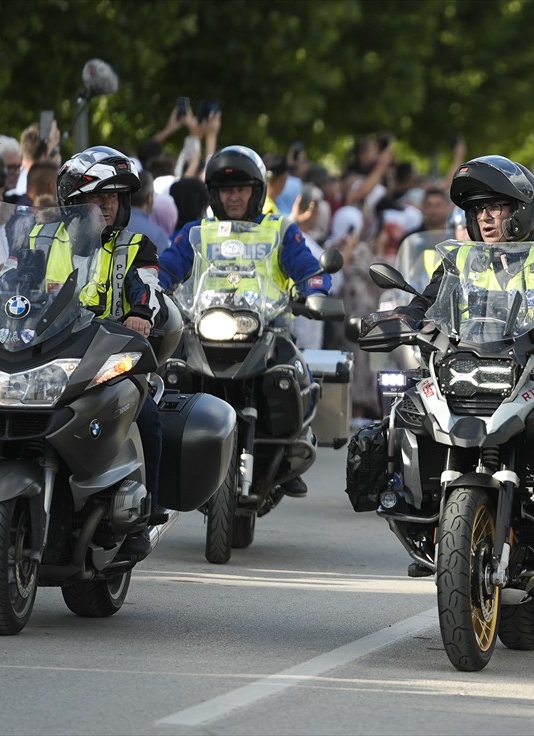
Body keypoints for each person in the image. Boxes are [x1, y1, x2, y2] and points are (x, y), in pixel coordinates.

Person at [387, 154, 534, 595]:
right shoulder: (459, 263)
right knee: (403, 413)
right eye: (477, 209)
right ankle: (427, 521)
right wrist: (402, 315)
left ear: (524, 210)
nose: (486, 218)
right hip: (473, 376)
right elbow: (427, 302)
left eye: (497, 207)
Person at [159, 145, 330, 500]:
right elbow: (165, 268)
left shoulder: (280, 230)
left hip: (267, 331)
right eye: (225, 190)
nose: (233, 197)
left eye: (241, 189)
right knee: (169, 373)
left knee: (295, 374)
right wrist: (153, 292)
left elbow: (308, 269)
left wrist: (314, 292)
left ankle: (292, 446)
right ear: (214, 194)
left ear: (257, 192)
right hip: (205, 329)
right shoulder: (196, 233)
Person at [52, 146, 168, 558]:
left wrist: (140, 313)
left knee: (148, 414)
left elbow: (149, 287)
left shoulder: (136, 247)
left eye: (113, 197)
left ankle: (145, 512)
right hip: (46, 356)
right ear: (71, 201)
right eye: (97, 196)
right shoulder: (41, 238)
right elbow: (10, 279)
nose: (106, 205)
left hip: (109, 357)